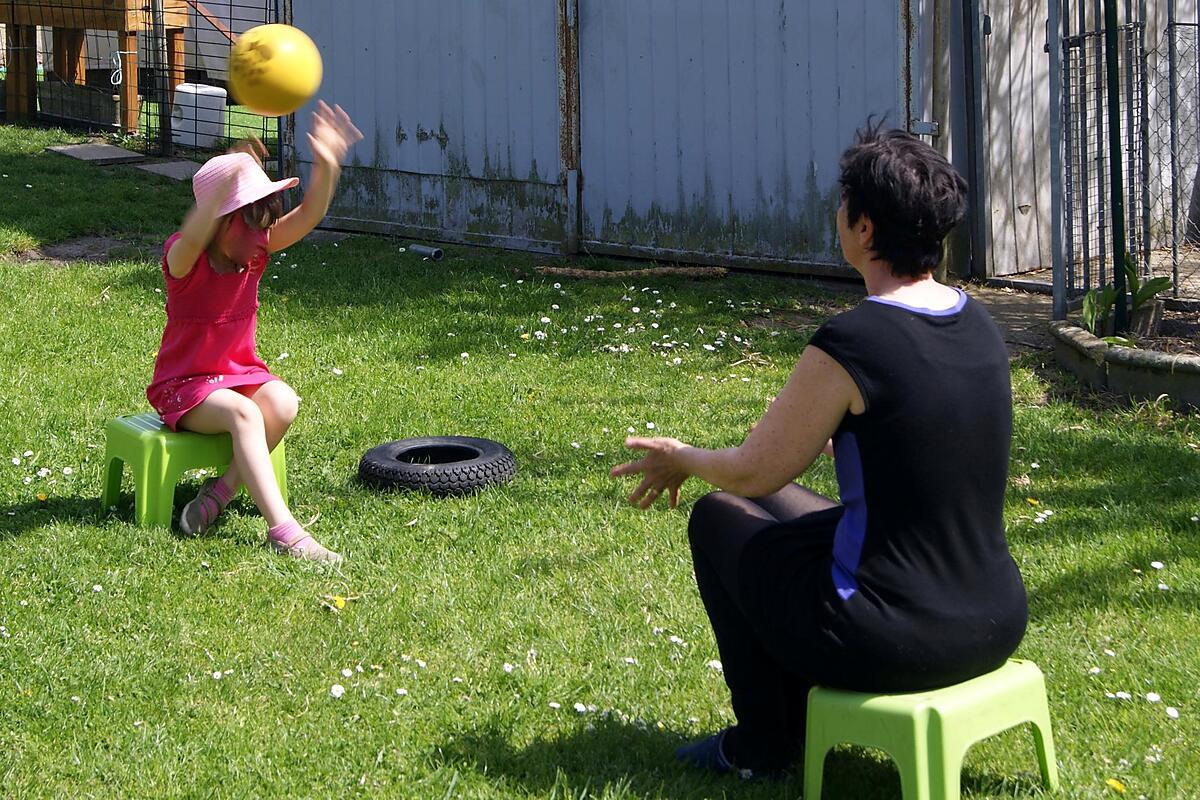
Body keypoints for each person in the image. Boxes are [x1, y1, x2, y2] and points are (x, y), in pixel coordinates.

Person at [610, 124, 1028, 778]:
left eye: (843, 203)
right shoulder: (977, 322)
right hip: (994, 618)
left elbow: (753, 470)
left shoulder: (855, 339)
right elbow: (928, 435)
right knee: (771, 508)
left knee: (718, 514)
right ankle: (794, 715)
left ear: (864, 228)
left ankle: (762, 747)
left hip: (896, 635)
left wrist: (682, 457)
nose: (836, 214)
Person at [146, 101, 363, 562]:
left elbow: (306, 217)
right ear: (222, 223)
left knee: (283, 402)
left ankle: (218, 496)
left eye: (267, 218)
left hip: (238, 375)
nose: (264, 232)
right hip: (185, 387)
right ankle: (284, 531)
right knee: (246, 417)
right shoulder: (185, 261)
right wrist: (225, 184)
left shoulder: (255, 252)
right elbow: (193, 232)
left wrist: (327, 167)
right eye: (253, 218)